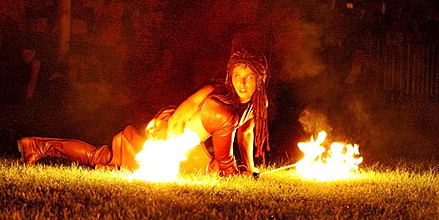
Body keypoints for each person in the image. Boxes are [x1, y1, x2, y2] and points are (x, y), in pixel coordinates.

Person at [18, 48, 270, 177]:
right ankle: (39, 146)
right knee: (104, 159)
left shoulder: (258, 102)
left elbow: (246, 132)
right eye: (237, 76)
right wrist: (164, 147)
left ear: (260, 79)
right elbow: (184, 113)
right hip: (171, 135)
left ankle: (37, 146)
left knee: (104, 157)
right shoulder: (219, 98)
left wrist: (251, 167)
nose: (242, 83)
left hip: (189, 149)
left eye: (248, 77)